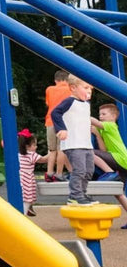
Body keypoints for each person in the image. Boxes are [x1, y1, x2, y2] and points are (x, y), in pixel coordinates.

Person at [50, 75, 96, 205]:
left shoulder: (86, 104)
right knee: (80, 170)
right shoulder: (69, 101)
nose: (89, 91)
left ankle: (82, 193)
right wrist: (61, 129)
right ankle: (75, 196)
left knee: (89, 171)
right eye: (86, 87)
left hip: (86, 144)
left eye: (90, 88)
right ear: (73, 88)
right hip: (74, 144)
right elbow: (55, 113)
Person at [91, 103, 127, 226]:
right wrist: (97, 134)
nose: (101, 116)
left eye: (104, 114)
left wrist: (82, 113)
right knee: (118, 193)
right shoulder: (103, 129)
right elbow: (104, 150)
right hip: (121, 162)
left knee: (88, 152)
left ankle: (110, 173)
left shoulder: (111, 125)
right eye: (99, 114)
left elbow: (95, 122)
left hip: (121, 159)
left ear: (113, 117)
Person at [43, 69, 73, 181]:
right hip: (63, 122)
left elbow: (48, 103)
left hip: (50, 121)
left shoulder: (49, 89)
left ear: (56, 80)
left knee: (51, 150)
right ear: (67, 80)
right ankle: (59, 173)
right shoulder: (70, 90)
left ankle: (49, 173)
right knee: (62, 149)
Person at [17, 130, 40, 216]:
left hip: (21, 178)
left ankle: (28, 208)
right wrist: (52, 153)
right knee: (27, 198)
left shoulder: (19, 154)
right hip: (27, 179)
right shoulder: (31, 154)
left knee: (24, 197)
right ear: (27, 146)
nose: (36, 147)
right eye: (34, 145)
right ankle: (25, 211)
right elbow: (43, 159)